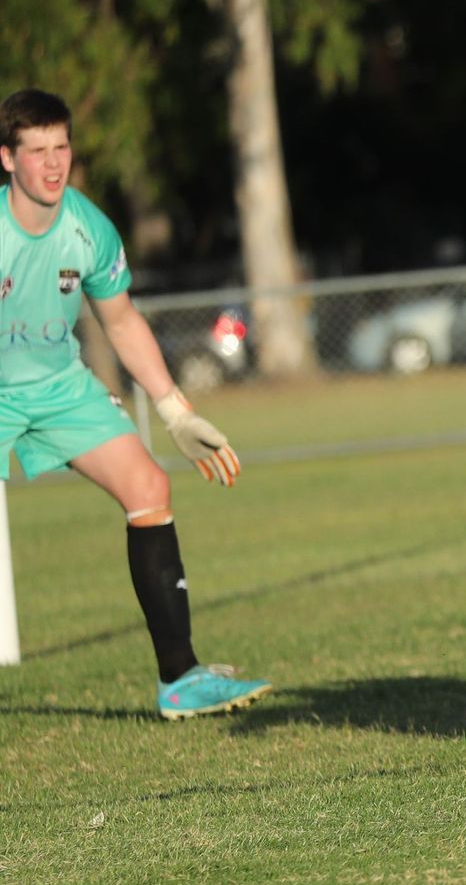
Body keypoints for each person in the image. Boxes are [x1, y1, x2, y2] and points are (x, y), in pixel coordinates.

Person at [0, 89, 270, 719]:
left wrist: (175, 410)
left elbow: (120, 323)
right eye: (36, 150)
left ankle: (180, 680)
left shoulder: (87, 228)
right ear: (7, 159)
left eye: (61, 146)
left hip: (58, 385)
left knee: (149, 488)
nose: (52, 163)